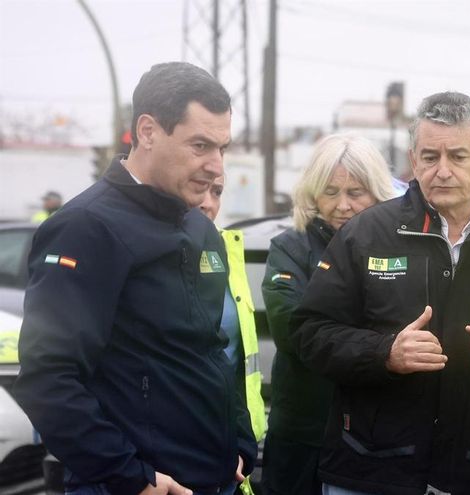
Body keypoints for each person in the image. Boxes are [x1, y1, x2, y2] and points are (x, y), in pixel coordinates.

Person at [290, 92, 470, 495]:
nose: (442, 171)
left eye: (458, 156)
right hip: (371, 473)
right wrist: (385, 353)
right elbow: (309, 332)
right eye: (430, 156)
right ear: (413, 159)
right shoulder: (365, 234)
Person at [13, 62, 257, 495]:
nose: (216, 168)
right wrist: (132, 478)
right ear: (147, 131)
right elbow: (48, 377)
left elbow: (212, 351)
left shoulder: (199, 227)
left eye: (222, 148)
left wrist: (238, 440)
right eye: (200, 145)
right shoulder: (85, 228)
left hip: (215, 479)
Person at [260, 134, 395, 495]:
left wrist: (333, 328)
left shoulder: (399, 249)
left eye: (355, 192)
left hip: (375, 438)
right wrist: (377, 345)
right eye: (331, 192)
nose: (342, 205)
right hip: (302, 436)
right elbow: (293, 331)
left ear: (377, 192)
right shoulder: (289, 247)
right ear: (312, 193)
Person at [199, 175, 269, 491]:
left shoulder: (227, 250)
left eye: (216, 191)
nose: (208, 203)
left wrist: (242, 442)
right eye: (199, 189)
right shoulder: (150, 257)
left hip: (230, 445)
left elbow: (234, 361)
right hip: (171, 454)